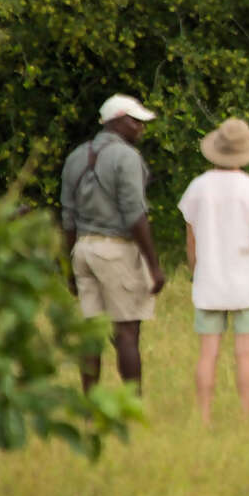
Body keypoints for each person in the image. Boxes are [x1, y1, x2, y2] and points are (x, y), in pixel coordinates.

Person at [60, 94, 167, 394]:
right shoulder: (127, 157)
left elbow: (67, 218)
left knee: (91, 332)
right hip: (115, 249)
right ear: (117, 121)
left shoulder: (76, 156)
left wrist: (68, 265)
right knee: (127, 331)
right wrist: (153, 266)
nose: (141, 129)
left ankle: (90, 404)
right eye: (136, 121)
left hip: (82, 248)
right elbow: (135, 214)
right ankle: (131, 405)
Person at [178, 118, 249, 426]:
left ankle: (204, 416)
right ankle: (246, 417)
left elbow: (191, 240)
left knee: (208, 353)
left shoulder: (198, 187)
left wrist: (197, 269)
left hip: (210, 279)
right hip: (246, 278)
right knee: (245, 353)